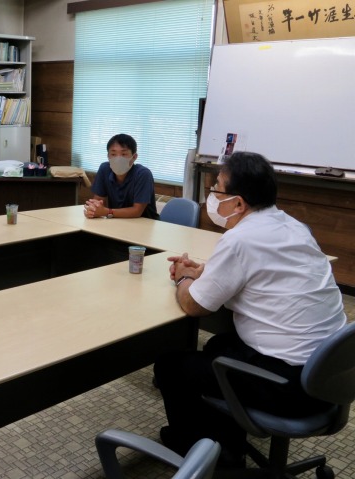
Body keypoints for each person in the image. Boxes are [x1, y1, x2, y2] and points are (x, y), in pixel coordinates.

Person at [153, 151, 346, 468]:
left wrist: (184, 278)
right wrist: (205, 273)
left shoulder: (240, 239)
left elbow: (193, 304)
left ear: (239, 203)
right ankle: (227, 443)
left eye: (217, 188)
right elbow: (263, 273)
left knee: (170, 366)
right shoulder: (295, 228)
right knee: (217, 346)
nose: (213, 195)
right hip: (329, 373)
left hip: (291, 386)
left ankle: (197, 452)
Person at [84, 133, 159, 220]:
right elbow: (98, 202)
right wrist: (93, 210)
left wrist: (107, 212)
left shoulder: (143, 174)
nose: (118, 159)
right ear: (108, 156)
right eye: (113, 154)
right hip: (117, 222)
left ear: (134, 157)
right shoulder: (105, 169)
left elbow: (137, 211)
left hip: (145, 224)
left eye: (124, 154)